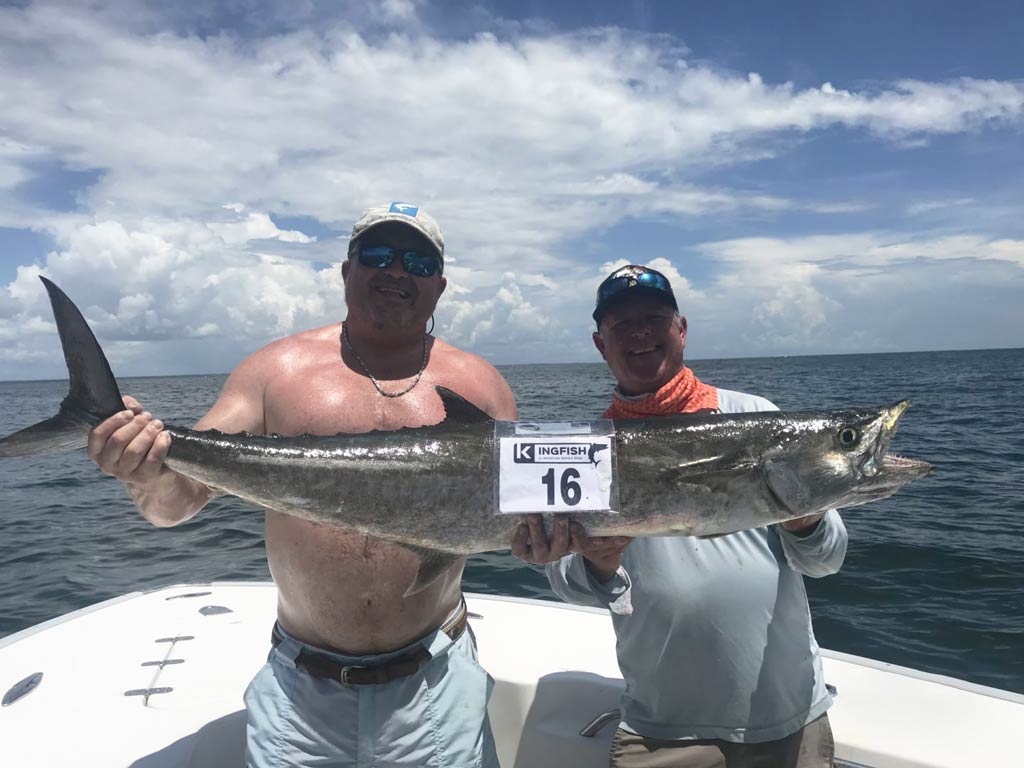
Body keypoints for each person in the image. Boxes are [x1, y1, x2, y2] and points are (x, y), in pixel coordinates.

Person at [87, 202, 517, 767]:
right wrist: (145, 476)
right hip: (300, 694)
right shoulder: (276, 371)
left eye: (415, 262)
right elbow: (178, 501)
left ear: (438, 287)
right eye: (378, 256)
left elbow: (528, 517)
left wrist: (559, 544)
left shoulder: (482, 385)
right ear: (346, 272)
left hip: (434, 684)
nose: (395, 272)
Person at [513, 264, 846, 768]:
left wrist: (804, 519)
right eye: (622, 325)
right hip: (660, 734)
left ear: (682, 330)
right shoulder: (579, 448)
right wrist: (598, 565)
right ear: (601, 344)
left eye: (655, 318)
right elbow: (568, 582)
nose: (640, 332)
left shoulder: (756, 415)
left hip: (788, 720)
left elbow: (827, 560)